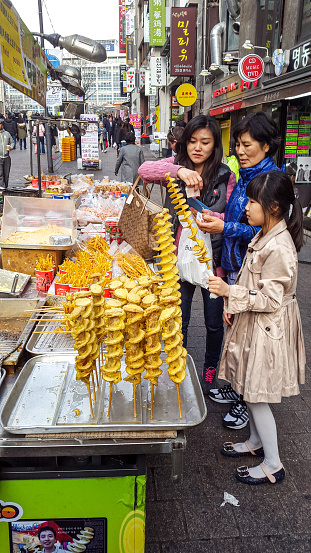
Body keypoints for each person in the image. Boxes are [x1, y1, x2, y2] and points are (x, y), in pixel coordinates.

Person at [208, 171, 305, 485]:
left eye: (252, 201)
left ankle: (273, 463)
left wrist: (229, 293)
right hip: (255, 322)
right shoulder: (265, 233)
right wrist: (232, 302)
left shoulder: (281, 246)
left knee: (257, 395)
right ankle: (255, 442)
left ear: (274, 206)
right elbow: (252, 282)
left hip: (268, 328)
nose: (246, 207)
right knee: (249, 389)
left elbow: (271, 299)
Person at [194, 112, 281, 429]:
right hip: (235, 268)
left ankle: (249, 400)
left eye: (247, 145)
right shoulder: (243, 176)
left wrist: (225, 227)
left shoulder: (271, 182)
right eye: (238, 146)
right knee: (238, 334)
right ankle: (238, 389)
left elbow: (269, 233)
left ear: (267, 145)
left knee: (253, 339)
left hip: (256, 274)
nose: (240, 152)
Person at [139, 115, 236, 393]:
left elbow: (229, 214)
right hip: (177, 259)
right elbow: (145, 169)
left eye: (205, 142)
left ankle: (208, 372)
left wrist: (206, 214)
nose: (197, 147)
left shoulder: (224, 175)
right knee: (179, 317)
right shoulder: (175, 164)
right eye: (192, 141)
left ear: (215, 144)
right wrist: (178, 172)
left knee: (213, 323)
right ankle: (177, 366)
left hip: (212, 263)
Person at [0, 117, 14, 188]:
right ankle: (1, 190)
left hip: (6, 157)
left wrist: (11, 147)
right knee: (0, 175)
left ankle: (5, 187)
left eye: (0, 124)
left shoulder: (6, 133)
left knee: (6, 175)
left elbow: (12, 142)